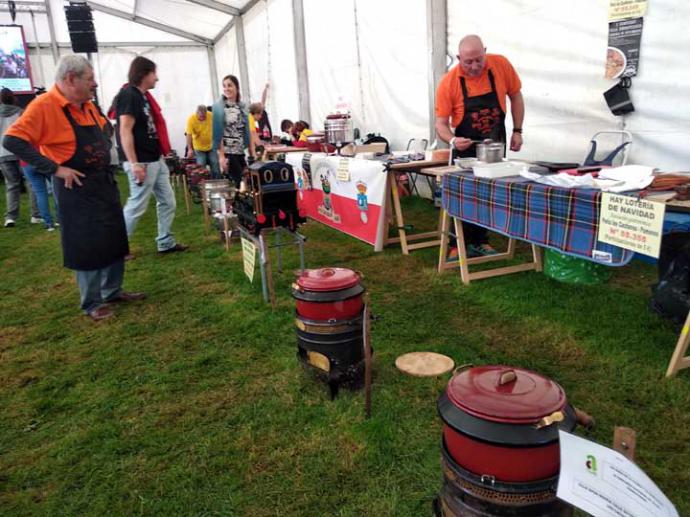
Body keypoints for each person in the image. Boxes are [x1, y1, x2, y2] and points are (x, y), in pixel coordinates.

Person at [3, 55, 144, 321]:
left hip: (102, 181)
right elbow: (12, 140)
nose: (94, 84)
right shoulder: (43, 105)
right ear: (71, 79)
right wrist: (55, 168)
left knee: (114, 236)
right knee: (86, 243)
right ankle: (91, 302)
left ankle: (112, 290)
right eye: (89, 79)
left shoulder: (86, 104)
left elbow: (103, 127)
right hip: (75, 186)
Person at [435, 34, 524, 257]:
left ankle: (481, 241)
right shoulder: (448, 82)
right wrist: (454, 140)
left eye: (479, 60)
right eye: (468, 62)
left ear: (485, 51)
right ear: (458, 58)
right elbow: (440, 124)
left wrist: (518, 130)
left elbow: (516, 96)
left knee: (488, 194)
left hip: (494, 145)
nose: (475, 66)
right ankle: (457, 244)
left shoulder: (500, 65)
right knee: (463, 195)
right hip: (465, 147)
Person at [115, 56, 187, 255]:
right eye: (154, 73)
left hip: (155, 160)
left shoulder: (142, 96)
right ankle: (117, 248)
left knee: (168, 201)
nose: (157, 78)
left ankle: (165, 241)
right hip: (142, 162)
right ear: (143, 74)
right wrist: (134, 163)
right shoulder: (129, 95)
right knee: (136, 205)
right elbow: (124, 131)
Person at [0, 87, 42, 227]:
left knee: (11, 185)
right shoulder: (21, 113)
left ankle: (10, 217)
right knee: (31, 183)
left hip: (3, 154)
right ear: (13, 97)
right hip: (21, 152)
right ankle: (35, 215)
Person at [212, 74, 254, 186]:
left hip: (240, 151)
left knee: (246, 182)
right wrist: (221, 157)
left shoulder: (242, 107)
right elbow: (217, 134)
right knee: (239, 182)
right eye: (224, 86)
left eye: (229, 85)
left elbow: (247, 131)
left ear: (237, 87)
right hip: (228, 152)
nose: (226, 89)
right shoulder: (219, 108)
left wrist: (252, 152)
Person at [185, 104, 219, 178]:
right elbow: (189, 135)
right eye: (201, 116)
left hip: (211, 145)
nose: (203, 118)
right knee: (201, 166)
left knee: (215, 164)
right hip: (199, 147)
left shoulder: (211, 116)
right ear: (197, 113)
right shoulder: (191, 119)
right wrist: (190, 149)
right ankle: (203, 184)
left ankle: (217, 182)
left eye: (204, 116)